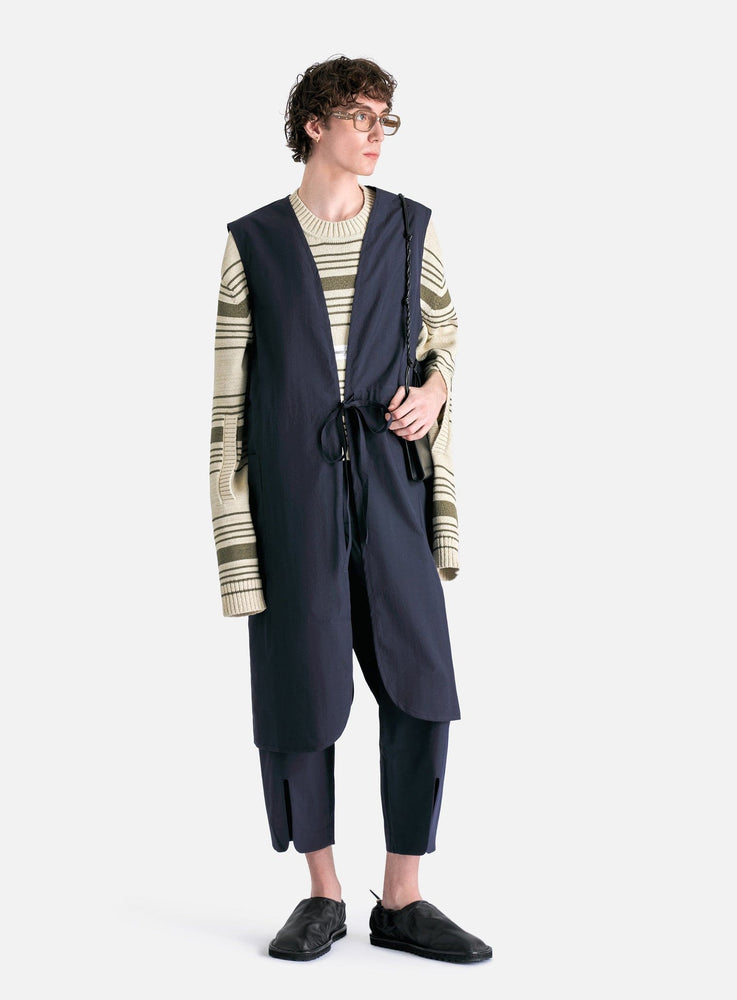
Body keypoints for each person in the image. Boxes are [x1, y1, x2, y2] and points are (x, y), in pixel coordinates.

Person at [209, 55, 492, 964]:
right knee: (300, 684)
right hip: (291, 492)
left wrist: (436, 389)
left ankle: (403, 899)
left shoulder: (411, 227)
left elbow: (446, 335)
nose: (376, 133)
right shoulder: (252, 242)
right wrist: (236, 549)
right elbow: (228, 406)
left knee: (422, 681)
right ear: (312, 125)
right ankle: (322, 892)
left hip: (392, 482)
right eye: (360, 117)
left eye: (384, 119)